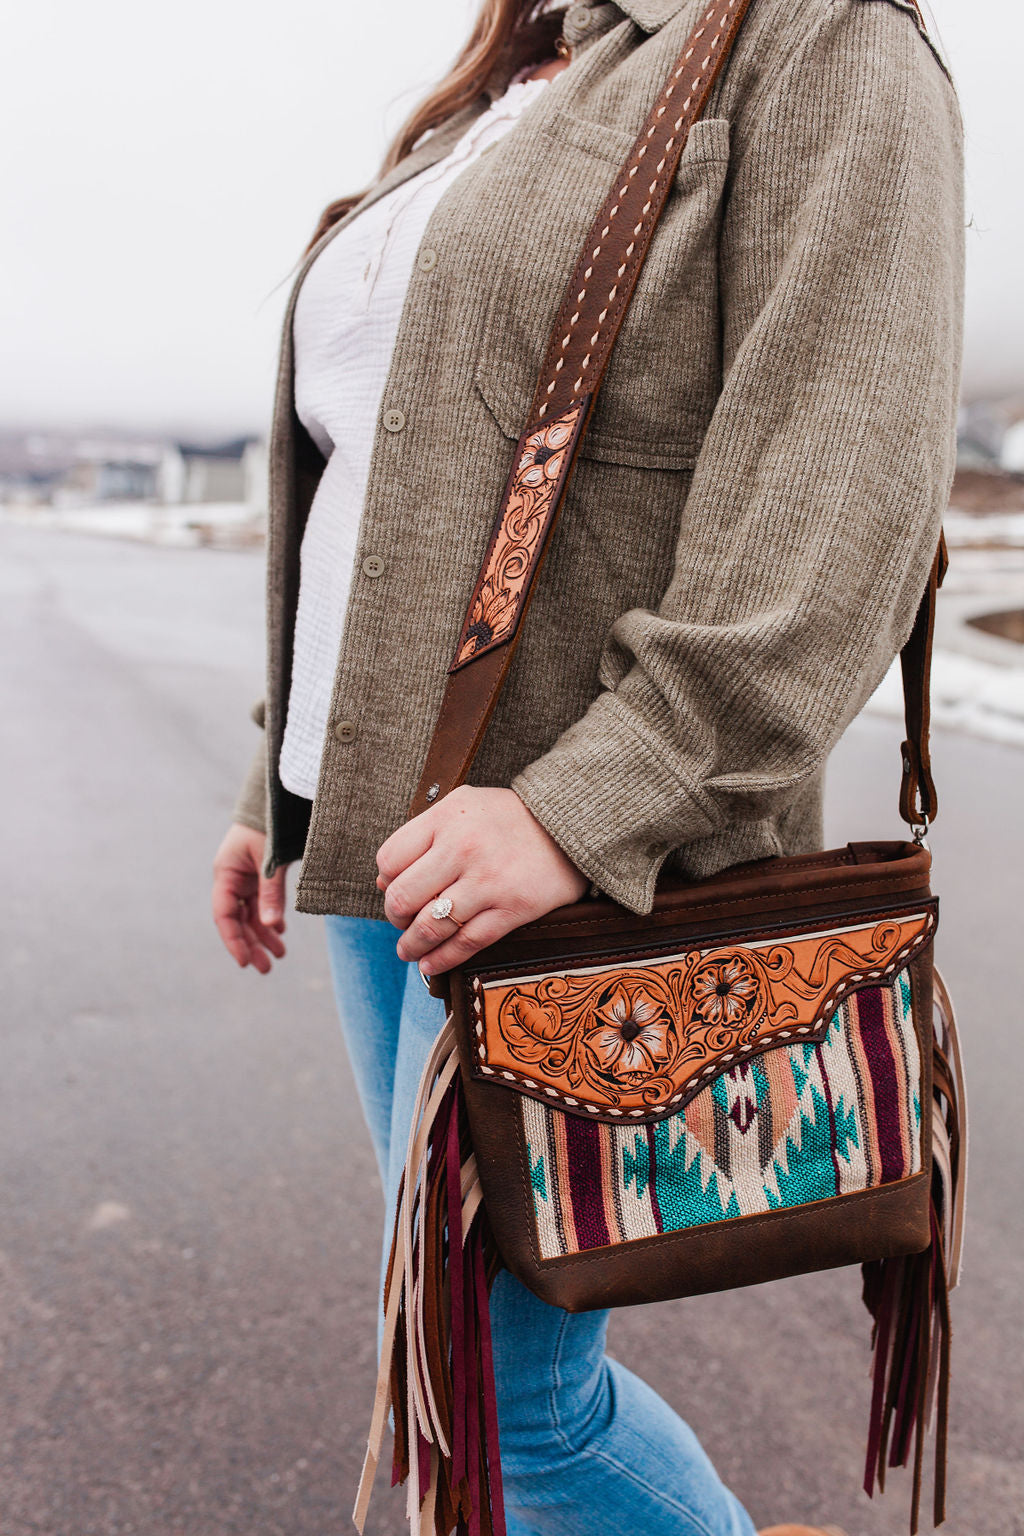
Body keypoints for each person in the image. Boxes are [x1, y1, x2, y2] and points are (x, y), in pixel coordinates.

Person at [211, 1, 963, 1531]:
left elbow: (839, 493)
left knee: (516, 1413)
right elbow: (382, 478)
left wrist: (587, 805)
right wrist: (269, 787)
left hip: (541, 857)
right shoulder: (498, 88)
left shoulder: (819, 38)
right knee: (455, 1374)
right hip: (382, 841)